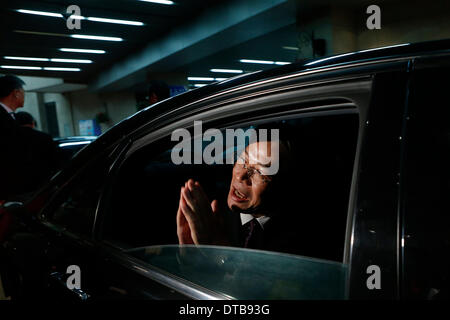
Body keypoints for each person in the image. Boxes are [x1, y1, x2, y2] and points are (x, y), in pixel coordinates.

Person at [176, 139, 303, 255]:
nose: (240, 175)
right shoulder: (208, 210)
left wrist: (216, 247)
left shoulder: (296, 241)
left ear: (284, 185)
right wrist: (188, 260)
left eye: (259, 172)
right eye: (242, 160)